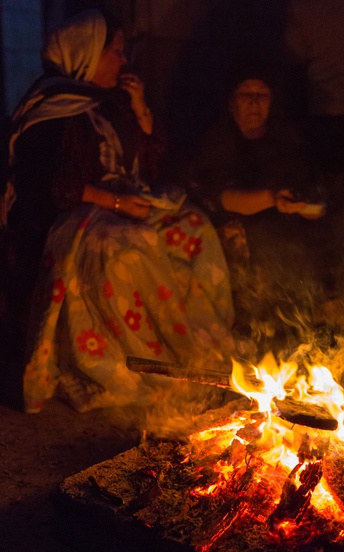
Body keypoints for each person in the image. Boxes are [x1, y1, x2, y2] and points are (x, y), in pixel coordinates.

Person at [0, 9, 235, 413]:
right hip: (77, 214)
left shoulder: (114, 102)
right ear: (87, 55)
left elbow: (153, 161)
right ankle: (145, 360)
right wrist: (116, 203)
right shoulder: (52, 107)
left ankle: (202, 344)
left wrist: (141, 109)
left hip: (127, 202)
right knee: (126, 245)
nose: (123, 61)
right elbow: (43, 186)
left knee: (193, 225)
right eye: (116, 52)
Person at [188, 64, 336, 353]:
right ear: (231, 101)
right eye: (246, 93)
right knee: (262, 243)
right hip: (237, 226)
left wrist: (306, 205)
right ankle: (258, 338)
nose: (254, 102)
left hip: (284, 225)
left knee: (316, 239)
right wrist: (273, 199)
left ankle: (314, 334)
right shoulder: (218, 140)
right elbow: (221, 197)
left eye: (262, 94)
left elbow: (311, 192)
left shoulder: (285, 138)